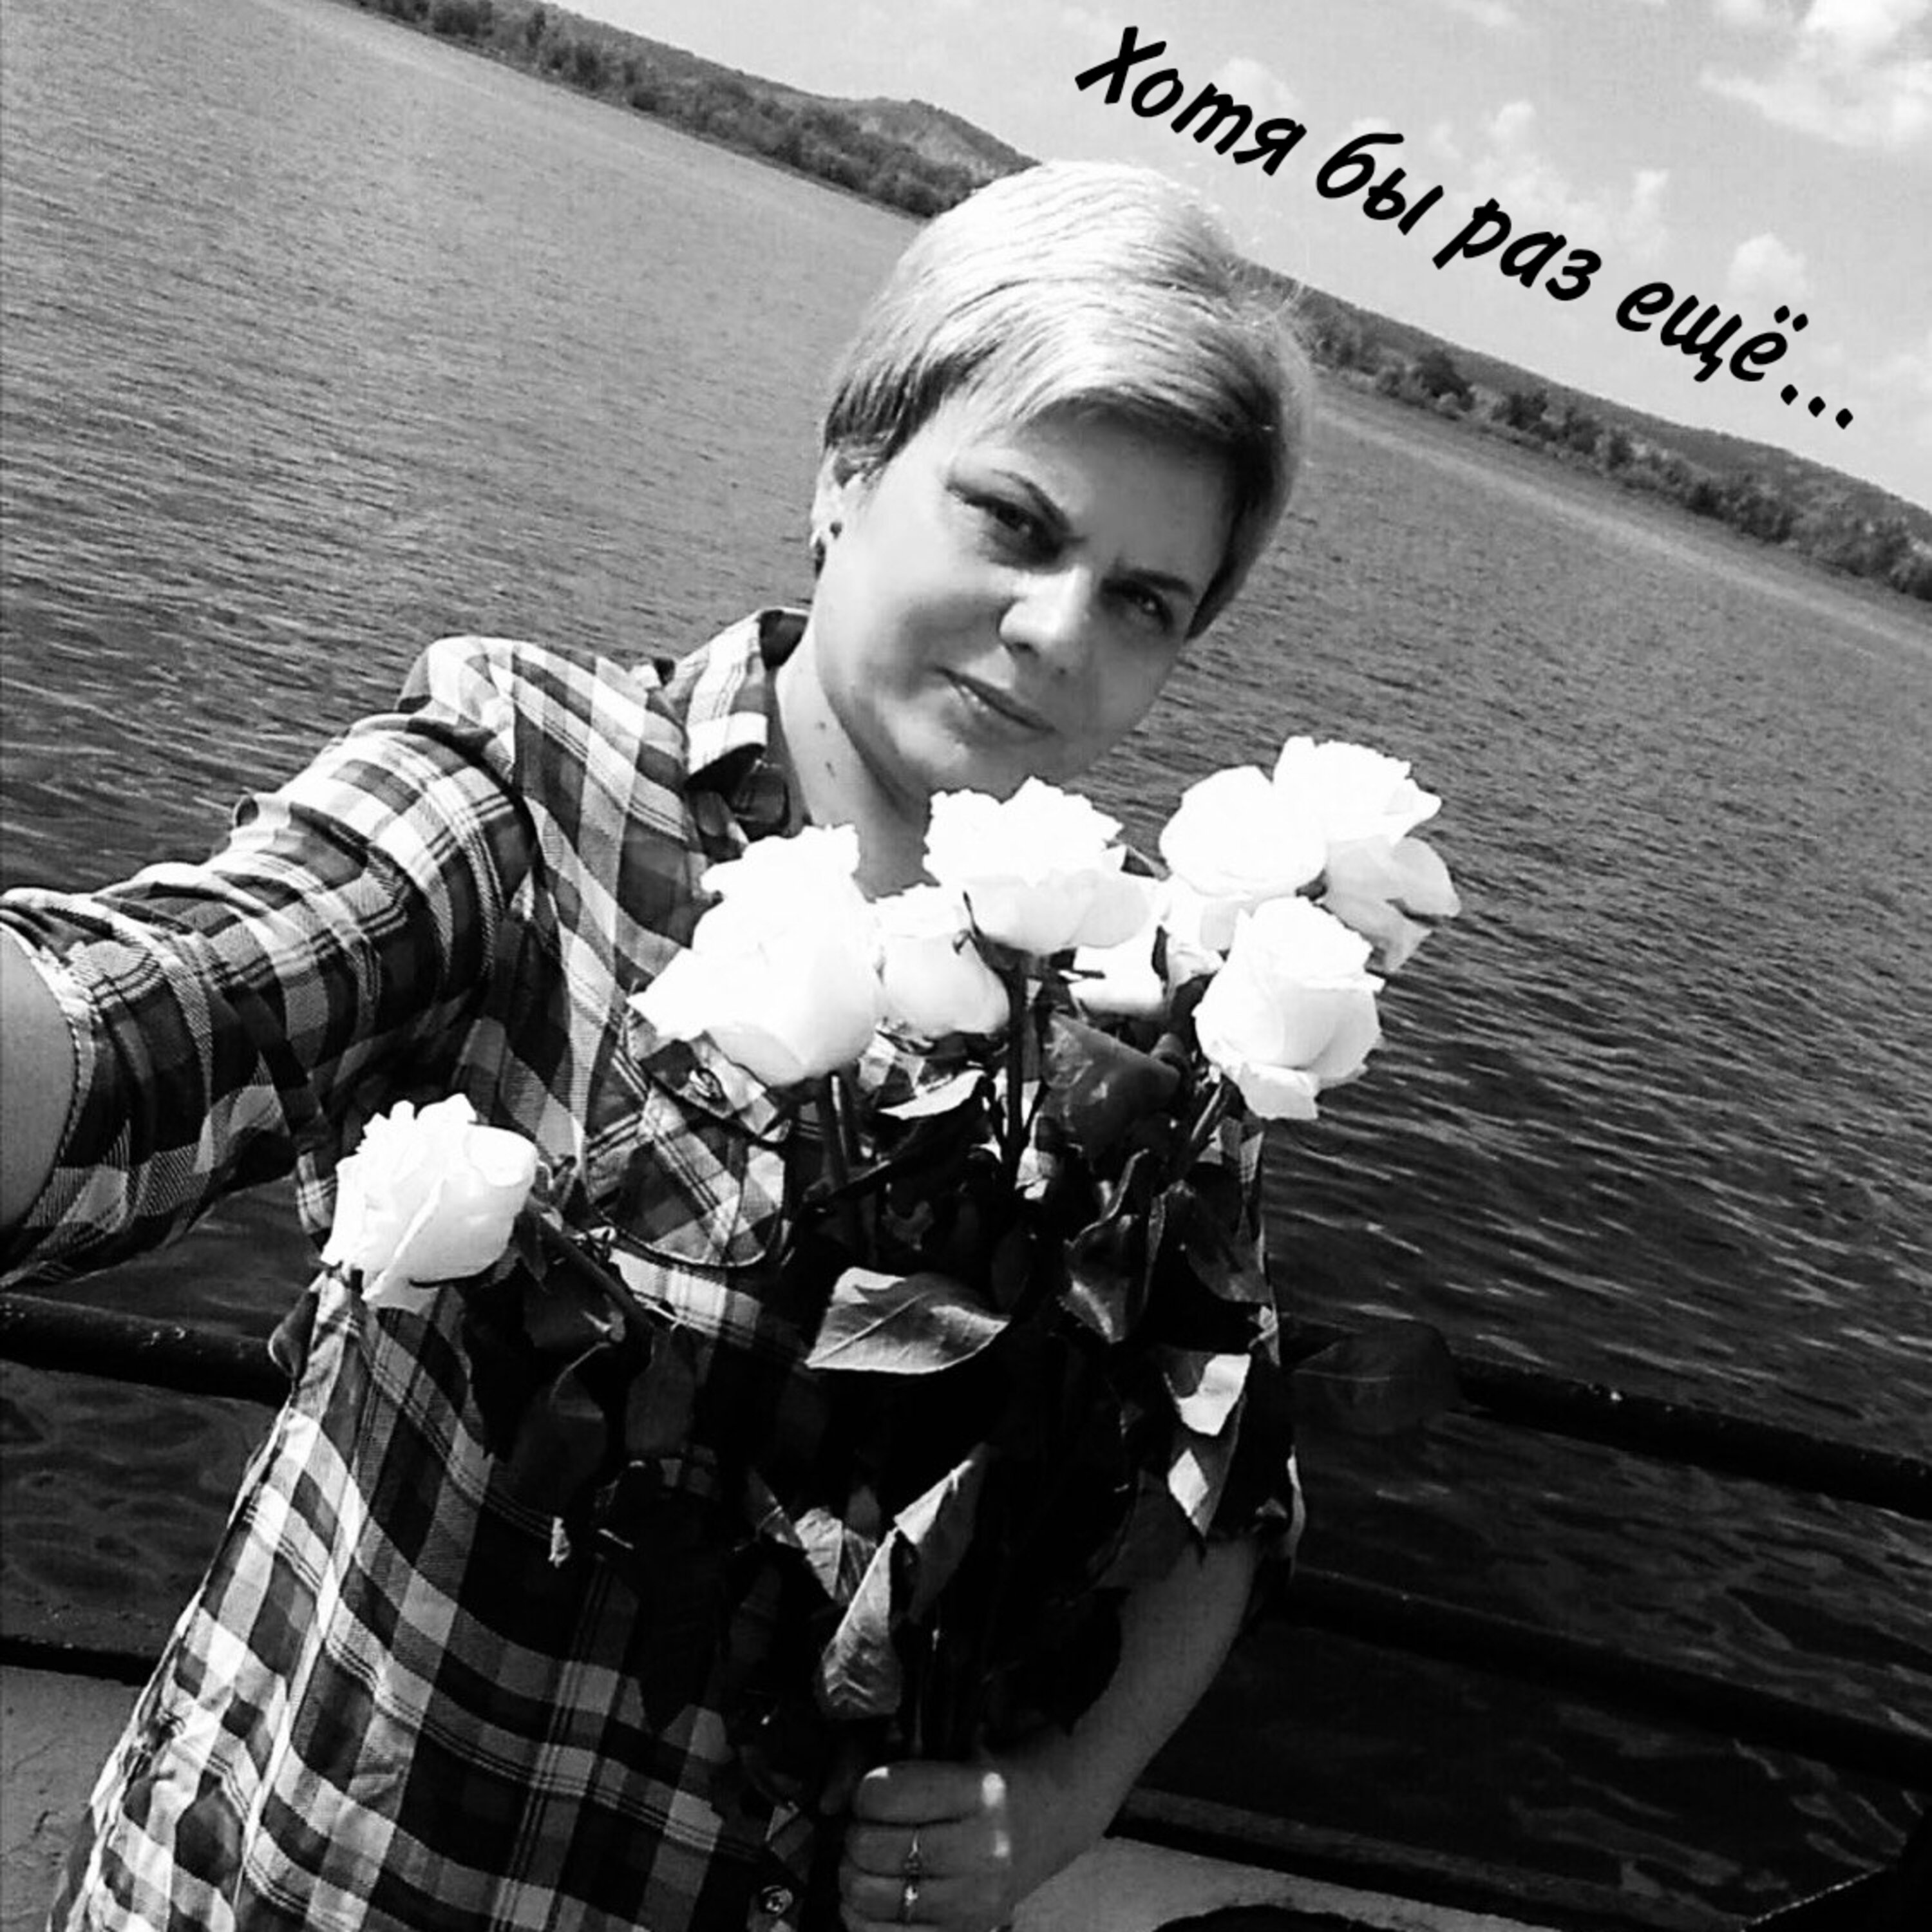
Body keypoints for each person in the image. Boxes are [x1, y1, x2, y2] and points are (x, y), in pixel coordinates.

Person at [0, 160, 1311, 1932]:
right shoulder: (534, 786)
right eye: (1013, 522)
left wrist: (1062, 1797)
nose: (1060, 632)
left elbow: (1226, 1467)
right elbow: (180, 1006)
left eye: (1146, 600)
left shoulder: (1138, 1004)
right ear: (849, 475)